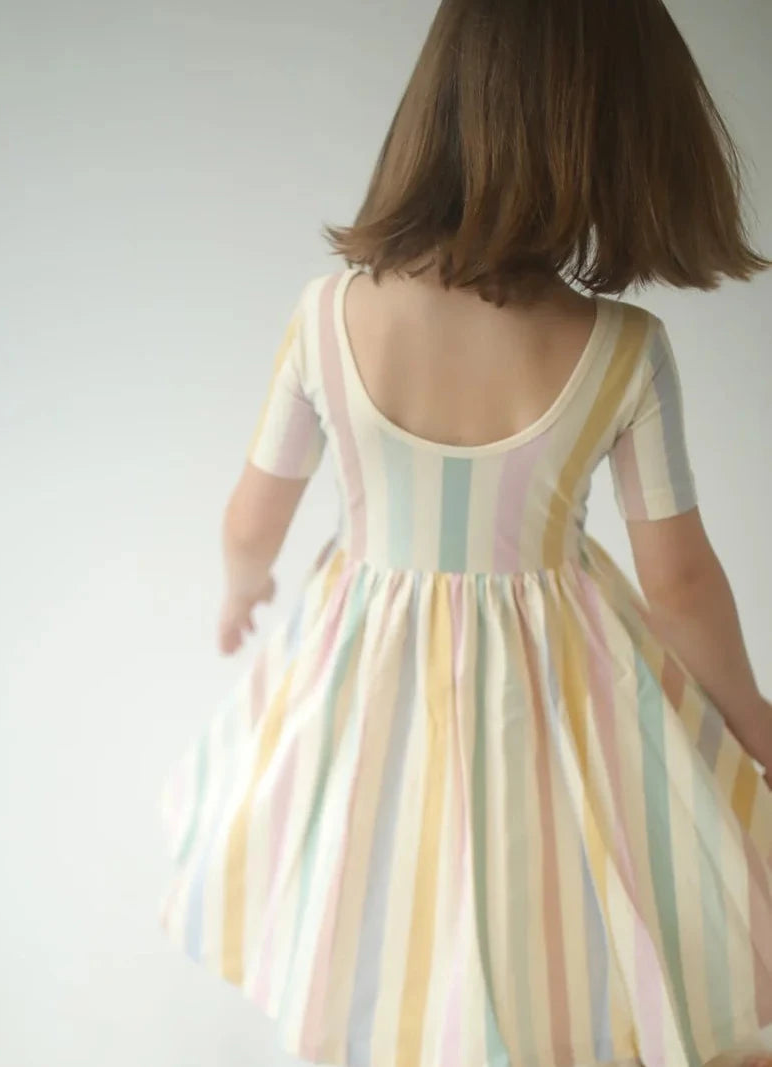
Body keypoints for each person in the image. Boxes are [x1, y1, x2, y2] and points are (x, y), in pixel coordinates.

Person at [156, 1, 772, 1064]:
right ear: (610, 143)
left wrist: (241, 586)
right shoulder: (622, 348)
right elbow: (675, 581)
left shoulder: (327, 315)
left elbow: (252, 515)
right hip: (557, 689)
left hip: (362, 669)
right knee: (560, 910)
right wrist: (749, 717)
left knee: (376, 896)